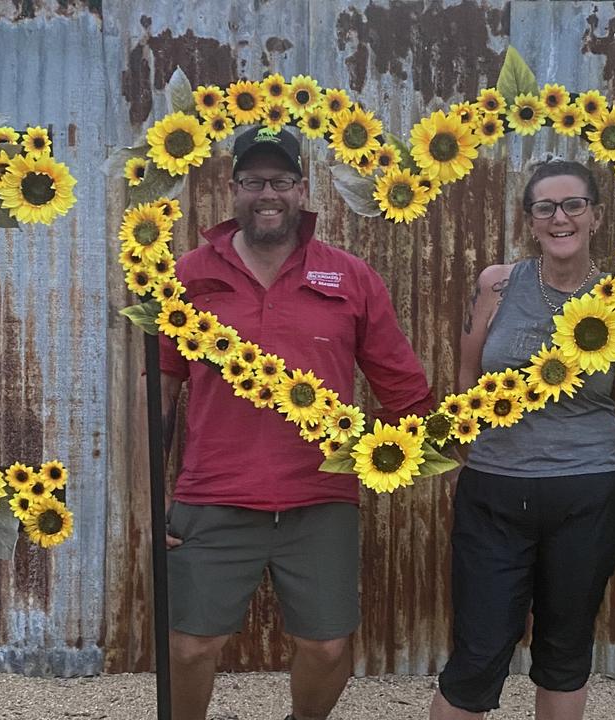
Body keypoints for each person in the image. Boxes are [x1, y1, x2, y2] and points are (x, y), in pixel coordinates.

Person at [159, 125, 434, 720]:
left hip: (319, 495)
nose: (268, 193)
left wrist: (398, 450)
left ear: (301, 188)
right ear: (232, 189)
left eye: (281, 181)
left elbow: (403, 387)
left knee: (328, 644)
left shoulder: (350, 276)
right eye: (253, 181)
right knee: (189, 646)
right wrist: (152, 496)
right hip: (213, 492)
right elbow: (163, 390)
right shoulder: (188, 275)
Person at [429, 160, 615, 719]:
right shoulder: (497, 284)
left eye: (572, 205)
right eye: (545, 207)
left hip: (587, 492)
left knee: (565, 649)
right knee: (478, 650)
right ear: (531, 220)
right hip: (495, 491)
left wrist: (605, 465)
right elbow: (466, 382)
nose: (559, 217)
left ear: (595, 215)